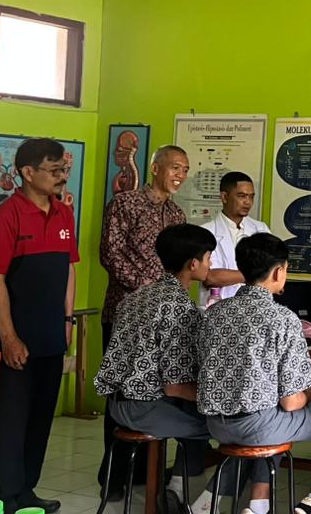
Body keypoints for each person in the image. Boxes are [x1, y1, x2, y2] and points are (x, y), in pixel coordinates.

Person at [97, 145, 239, 493]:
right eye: (175, 167)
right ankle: (114, 478)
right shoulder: (125, 204)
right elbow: (110, 254)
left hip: (165, 308)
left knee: (164, 391)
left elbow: (182, 266)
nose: (180, 175)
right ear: (155, 168)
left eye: (185, 169)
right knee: (130, 386)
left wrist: (162, 294)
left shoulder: (176, 213)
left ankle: (150, 475)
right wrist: (151, 291)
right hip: (127, 310)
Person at [94, 224, 264, 514]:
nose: (210, 263)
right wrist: (223, 400)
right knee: (234, 428)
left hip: (116, 407)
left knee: (200, 409)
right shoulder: (178, 307)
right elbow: (175, 386)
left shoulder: (137, 296)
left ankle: (177, 488)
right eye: (208, 257)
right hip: (145, 410)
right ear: (193, 264)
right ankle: (192, 499)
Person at [197, 233, 311, 514]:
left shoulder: (214, 313)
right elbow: (292, 402)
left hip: (215, 425)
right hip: (258, 427)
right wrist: (308, 396)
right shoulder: (283, 319)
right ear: (278, 272)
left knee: (272, 415)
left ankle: (258, 505)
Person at [0, 138, 77, 514]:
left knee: (40, 418)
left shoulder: (64, 213)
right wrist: (8, 337)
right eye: (54, 170)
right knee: (9, 422)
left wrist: (67, 319)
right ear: (28, 172)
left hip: (51, 336)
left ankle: (26, 492)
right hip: (13, 339)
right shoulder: (5, 217)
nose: (61, 177)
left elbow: (69, 269)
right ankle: (2, 496)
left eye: (64, 169)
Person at [200, 171, 272, 307]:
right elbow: (210, 277)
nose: (248, 202)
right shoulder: (205, 231)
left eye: (251, 197)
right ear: (224, 197)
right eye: (241, 196)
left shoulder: (261, 229)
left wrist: (233, 276)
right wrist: (256, 275)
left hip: (256, 308)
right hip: (218, 309)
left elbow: (272, 270)